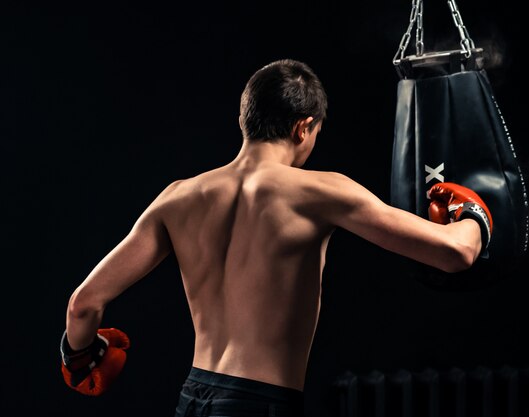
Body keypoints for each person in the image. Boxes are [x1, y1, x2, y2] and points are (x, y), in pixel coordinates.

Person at [59, 58, 492, 417]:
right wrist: (475, 211)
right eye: (315, 135)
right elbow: (456, 252)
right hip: (257, 404)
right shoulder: (320, 191)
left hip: (193, 398)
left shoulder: (178, 196)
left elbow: (83, 304)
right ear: (304, 127)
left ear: (243, 119)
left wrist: (80, 359)